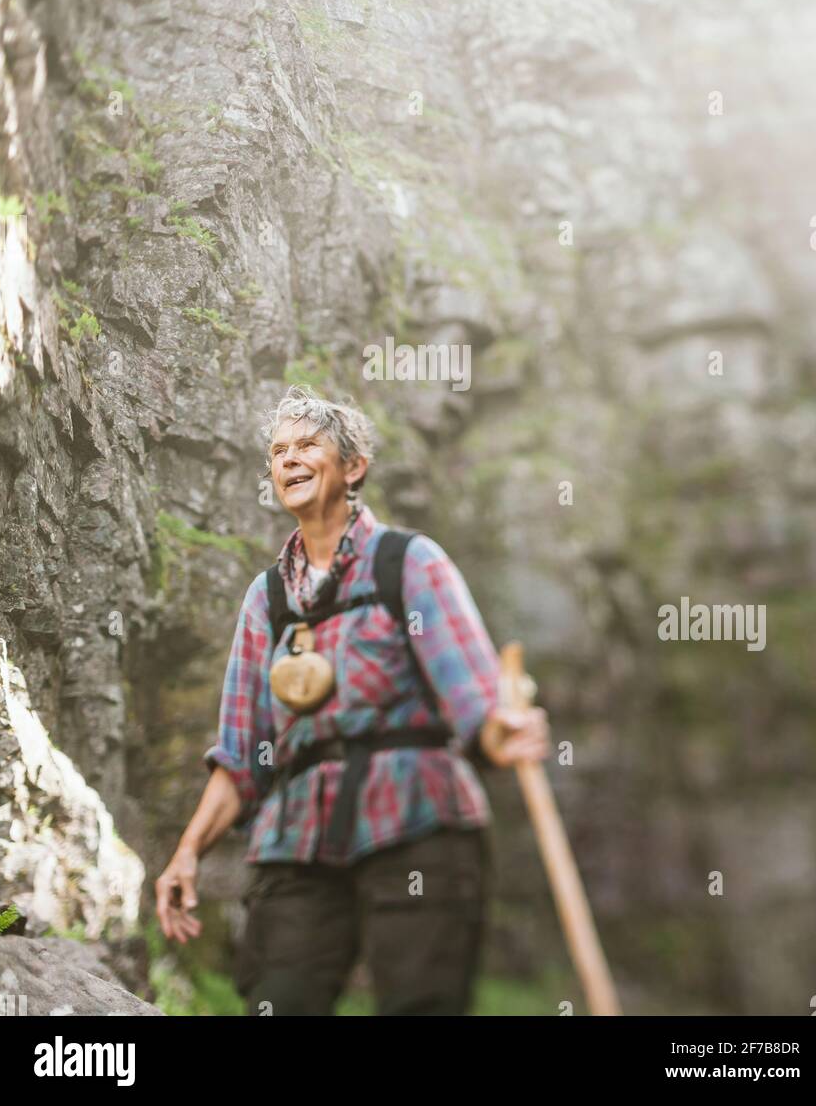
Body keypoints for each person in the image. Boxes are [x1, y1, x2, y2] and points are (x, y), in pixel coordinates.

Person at [155, 385, 550, 1015]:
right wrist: (187, 852)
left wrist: (503, 735)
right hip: (299, 837)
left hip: (416, 816)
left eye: (307, 446)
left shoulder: (409, 563)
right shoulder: (266, 602)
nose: (288, 460)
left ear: (354, 466)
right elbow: (242, 755)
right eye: (278, 452)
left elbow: (474, 702)